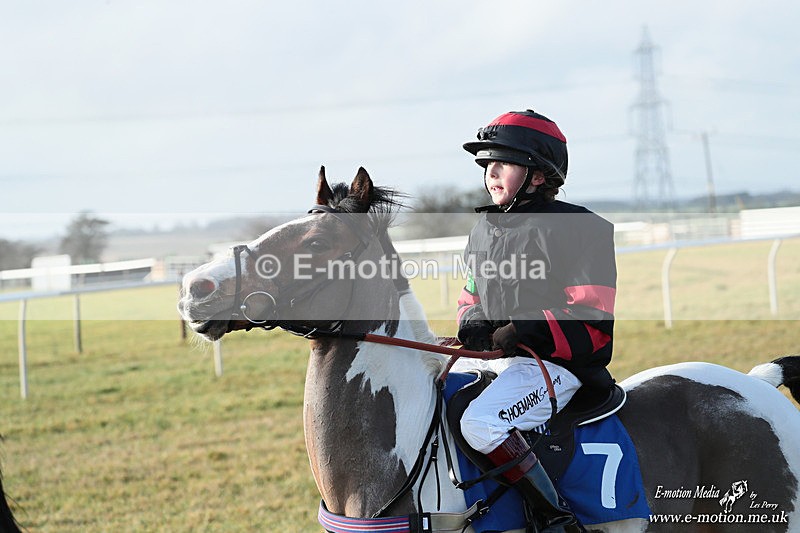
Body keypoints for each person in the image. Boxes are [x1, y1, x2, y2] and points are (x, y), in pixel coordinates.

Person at [456, 109, 617, 532]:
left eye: (503, 163)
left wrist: (523, 329)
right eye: (486, 164)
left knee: (479, 423)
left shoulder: (582, 227)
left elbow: (592, 314)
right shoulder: (483, 228)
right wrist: (473, 323)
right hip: (499, 361)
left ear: (539, 176)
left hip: (556, 368)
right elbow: (470, 292)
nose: (491, 173)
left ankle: (556, 517)